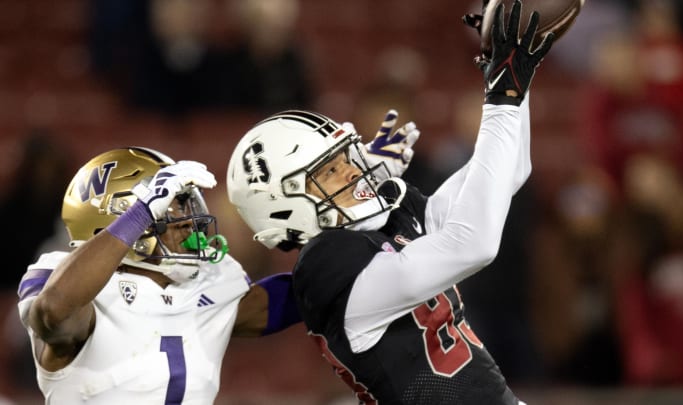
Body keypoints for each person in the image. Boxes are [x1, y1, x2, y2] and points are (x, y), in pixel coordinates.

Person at [226, 1, 554, 403]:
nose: (352, 171)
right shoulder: (327, 265)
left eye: (344, 159)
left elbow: (507, 175)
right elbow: (474, 244)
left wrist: (514, 79)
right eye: (330, 170)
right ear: (282, 205)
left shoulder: (386, 221)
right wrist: (502, 95)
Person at [16, 146, 301, 403]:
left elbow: (294, 298)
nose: (190, 221)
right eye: (171, 207)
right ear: (121, 214)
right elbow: (54, 312)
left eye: (188, 205)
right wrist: (142, 213)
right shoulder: (62, 276)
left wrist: (333, 255)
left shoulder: (212, 278)